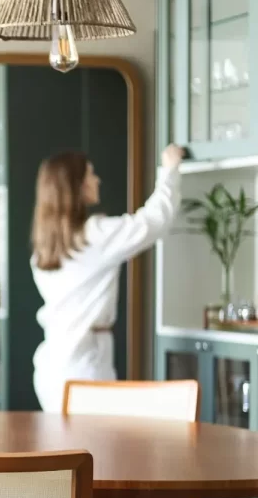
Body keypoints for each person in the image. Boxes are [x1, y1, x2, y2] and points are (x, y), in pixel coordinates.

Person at [31, 144, 184, 413]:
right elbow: (153, 221)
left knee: (64, 441)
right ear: (76, 187)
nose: (97, 180)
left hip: (51, 368)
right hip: (84, 369)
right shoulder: (94, 236)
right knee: (94, 439)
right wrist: (170, 170)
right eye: (90, 174)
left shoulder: (43, 250)